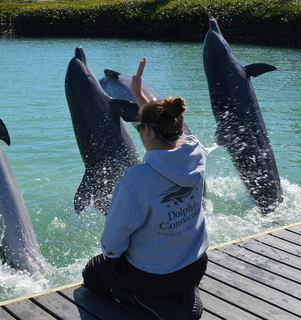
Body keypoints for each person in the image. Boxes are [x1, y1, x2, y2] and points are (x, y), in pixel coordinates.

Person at [82, 58, 209, 319]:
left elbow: (112, 245)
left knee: (93, 273)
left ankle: (143, 301)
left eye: (140, 127)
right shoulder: (197, 152)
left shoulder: (137, 180)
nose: (139, 132)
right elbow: (168, 127)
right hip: (197, 263)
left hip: (154, 277)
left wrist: (115, 256)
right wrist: (138, 94)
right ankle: (185, 291)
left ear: (148, 132)